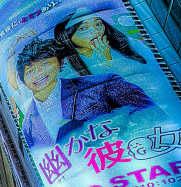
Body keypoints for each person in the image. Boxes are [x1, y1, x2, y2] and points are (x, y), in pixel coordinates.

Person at [15, 37, 153, 147]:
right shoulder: (28, 125)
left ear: (60, 62)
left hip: (125, 160)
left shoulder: (103, 83)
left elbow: (151, 113)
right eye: (30, 71)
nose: (38, 74)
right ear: (23, 81)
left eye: (45, 64)